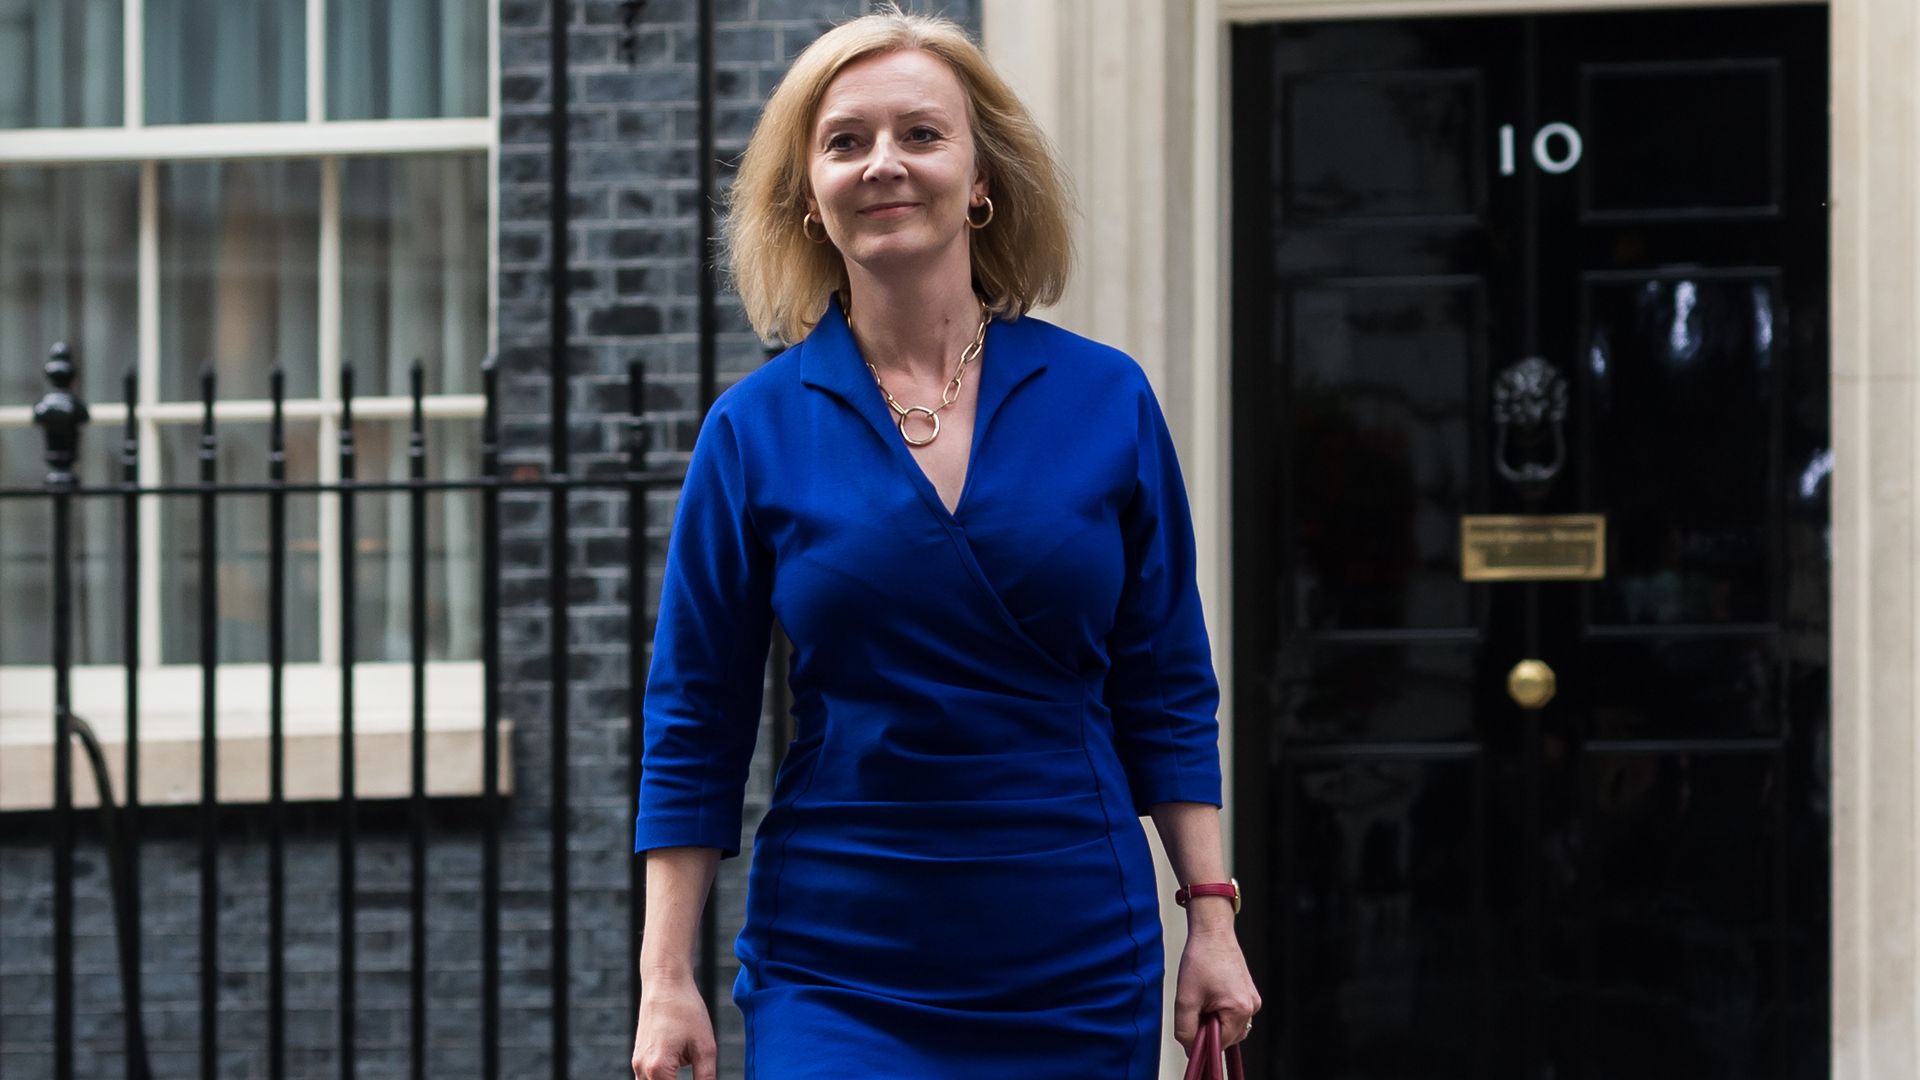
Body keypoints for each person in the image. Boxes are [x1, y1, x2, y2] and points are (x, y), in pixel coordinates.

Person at [630, 7, 1259, 1079]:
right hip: (838, 960)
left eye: (921, 133)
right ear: (810, 194)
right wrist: (664, 979)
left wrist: (1211, 914)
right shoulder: (753, 430)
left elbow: (1164, 682)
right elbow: (696, 715)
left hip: (1074, 945)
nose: (884, 163)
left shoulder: (1106, 399)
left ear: (980, 180)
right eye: (845, 141)